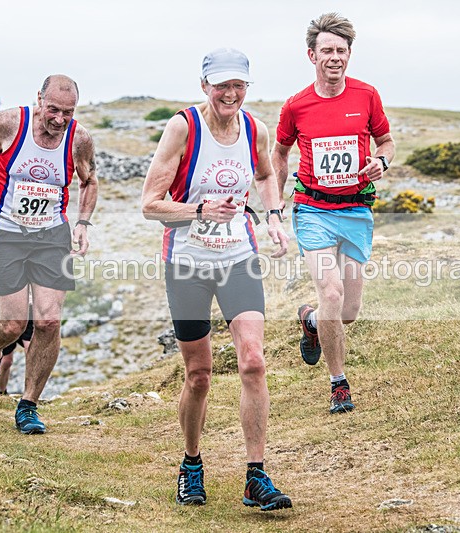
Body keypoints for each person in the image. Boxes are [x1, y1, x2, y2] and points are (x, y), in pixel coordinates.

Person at [141, 48, 292, 511]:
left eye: (239, 86)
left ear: (248, 86)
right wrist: (199, 210)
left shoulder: (254, 129)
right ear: (204, 85)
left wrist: (271, 216)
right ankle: (191, 463)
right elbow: (150, 203)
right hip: (187, 262)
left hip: (237, 257)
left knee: (253, 361)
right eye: (222, 85)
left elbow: (266, 174)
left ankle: (256, 476)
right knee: (200, 374)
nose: (231, 94)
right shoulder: (183, 127)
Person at [272, 13, 396, 414]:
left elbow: (387, 141)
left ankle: (310, 322)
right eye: (327, 50)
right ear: (312, 55)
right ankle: (338, 383)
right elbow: (279, 153)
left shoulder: (366, 95)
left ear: (349, 55)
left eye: (341, 51)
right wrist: (274, 204)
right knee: (331, 291)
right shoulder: (296, 105)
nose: (334, 57)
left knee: (347, 312)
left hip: (356, 209)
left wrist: (382, 161)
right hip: (312, 209)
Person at [0, 74, 98, 434]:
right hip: (6, 234)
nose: (59, 119)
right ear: (39, 99)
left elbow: (90, 181)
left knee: (49, 321)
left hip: (51, 236)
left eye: (67, 112)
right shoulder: (11, 123)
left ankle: (28, 405)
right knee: (11, 325)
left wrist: (83, 223)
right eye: (53, 109)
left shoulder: (78, 139)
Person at [0, 272, 33, 395]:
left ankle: (30, 396)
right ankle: (2, 392)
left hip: (28, 314)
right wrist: (7, 301)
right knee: (6, 360)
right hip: (2, 312)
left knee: (32, 353)